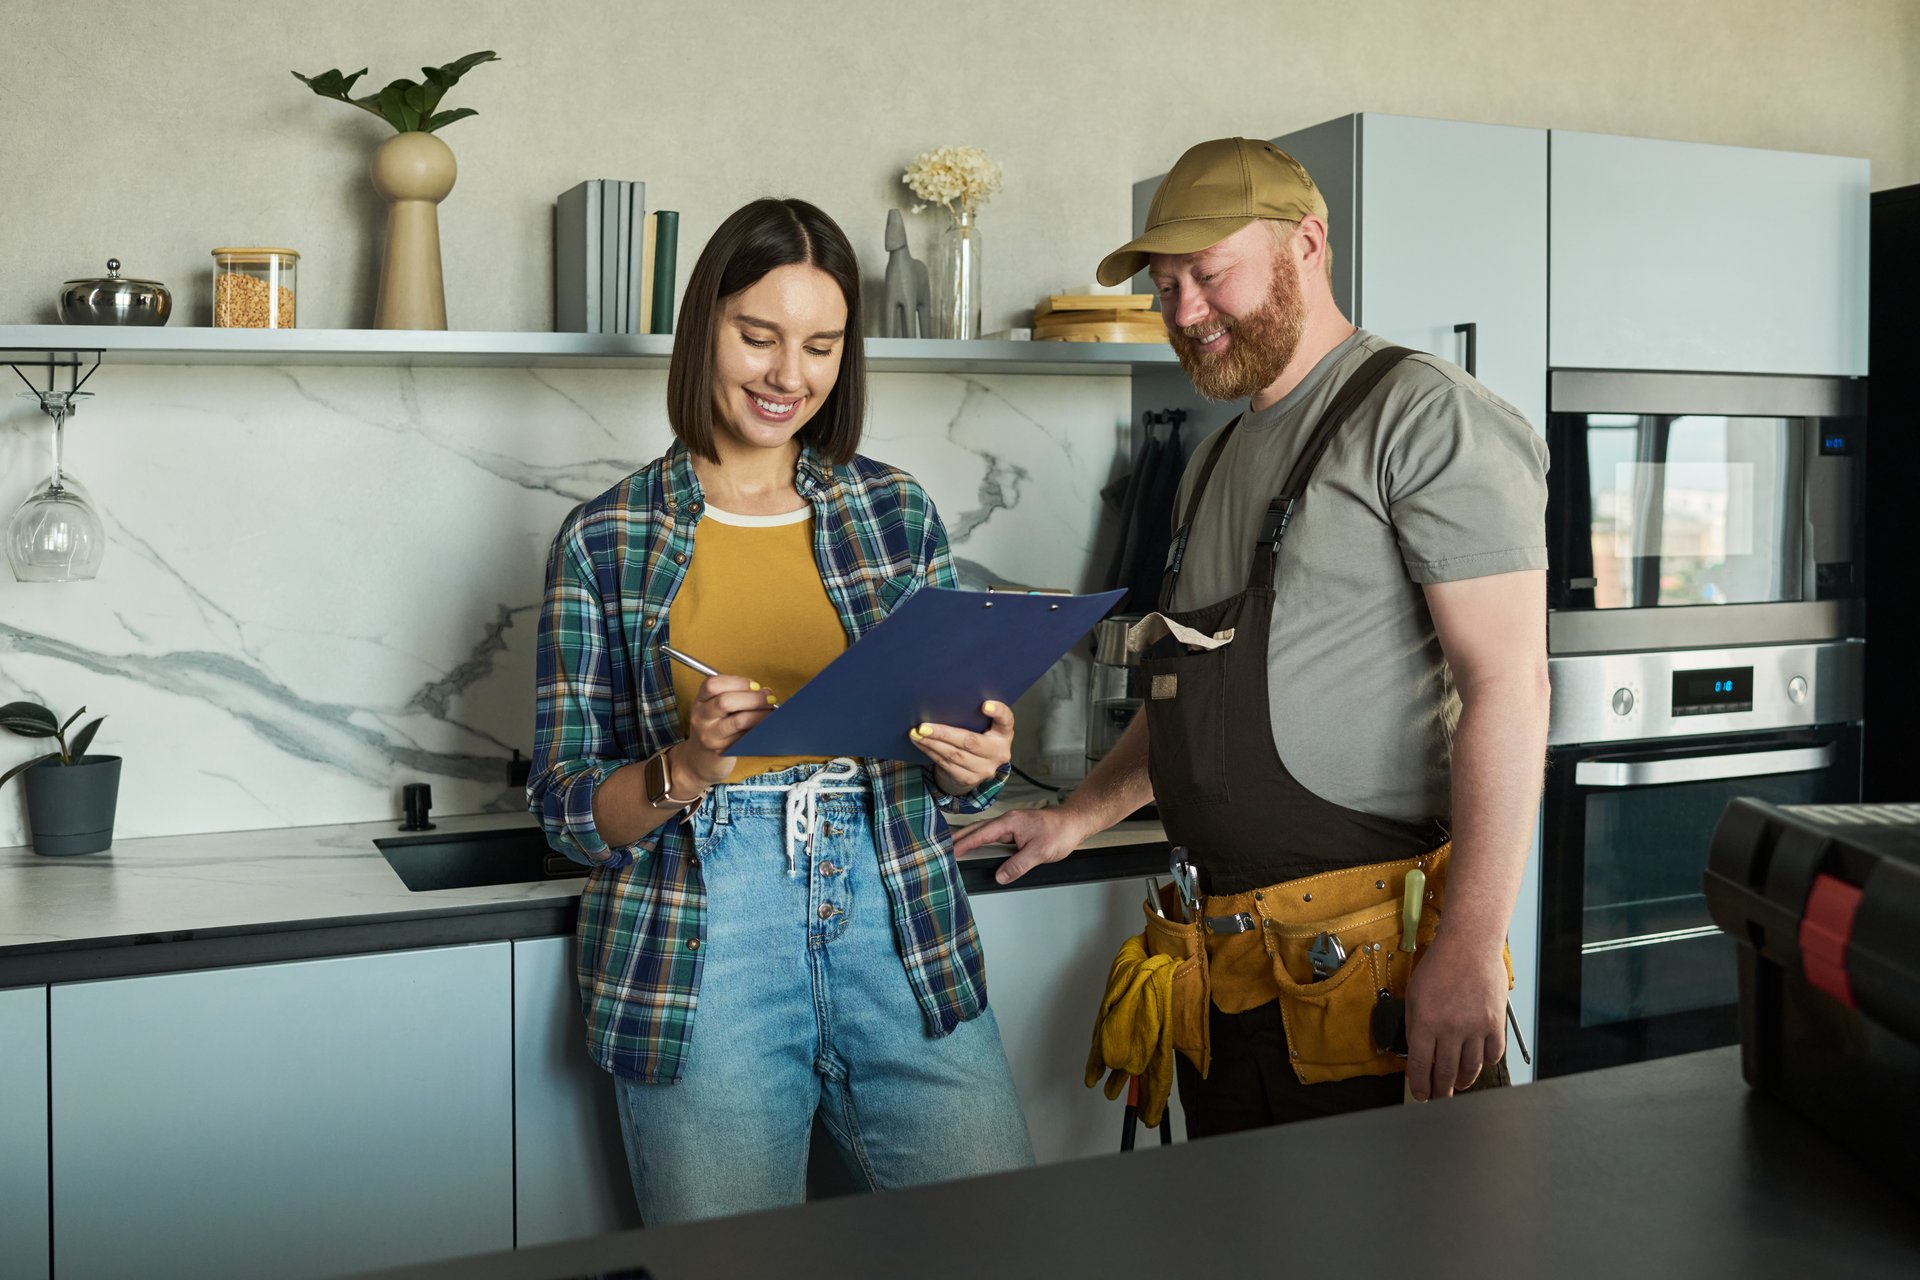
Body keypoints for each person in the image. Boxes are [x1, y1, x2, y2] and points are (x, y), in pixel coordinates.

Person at [958, 138, 1550, 1133]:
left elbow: (1511, 684)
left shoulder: (1421, 414)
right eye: (1164, 285)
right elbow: (1197, 692)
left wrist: (1467, 942)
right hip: (1226, 982)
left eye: (1208, 274)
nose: (1183, 312)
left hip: (1378, 975)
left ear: (1307, 244)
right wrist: (1078, 814)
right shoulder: (1216, 454)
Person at [529, 197, 1034, 1224]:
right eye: (757, 336)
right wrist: (689, 765)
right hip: (704, 941)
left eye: (820, 345)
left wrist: (971, 759)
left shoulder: (896, 511)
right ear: (704, 328)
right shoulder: (606, 537)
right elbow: (567, 809)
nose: (787, 374)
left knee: (1001, 1242)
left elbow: (943, 760)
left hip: (899, 923)